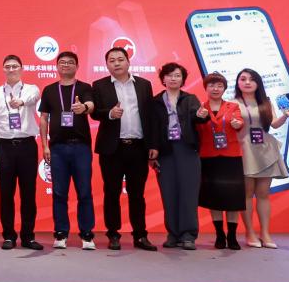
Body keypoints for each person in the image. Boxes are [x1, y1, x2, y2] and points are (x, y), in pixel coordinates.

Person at [90, 47, 158, 251]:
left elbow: (150, 117)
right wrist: (110, 114)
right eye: (112, 60)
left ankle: (140, 235)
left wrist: (153, 144)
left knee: (137, 193)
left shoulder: (144, 85)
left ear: (128, 62)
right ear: (106, 65)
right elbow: (95, 113)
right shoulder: (99, 85)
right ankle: (113, 234)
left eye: (120, 59)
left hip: (138, 147)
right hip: (112, 148)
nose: (116, 63)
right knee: (112, 192)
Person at [39, 50, 96, 249]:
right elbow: (44, 118)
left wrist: (84, 108)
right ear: (57, 66)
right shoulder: (49, 90)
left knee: (84, 192)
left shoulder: (84, 87)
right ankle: (61, 233)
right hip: (57, 148)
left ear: (77, 66)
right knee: (59, 192)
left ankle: (87, 234)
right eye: (62, 62)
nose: (66, 65)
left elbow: (91, 105)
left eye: (70, 62)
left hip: (81, 147)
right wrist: (44, 146)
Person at [148, 62, 208, 250]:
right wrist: (152, 149)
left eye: (177, 75)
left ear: (182, 80)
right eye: (169, 75)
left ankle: (188, 234)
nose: (173, 78)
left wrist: (201, 115)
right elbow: (151, 127)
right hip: (165, 151)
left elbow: (198, 117)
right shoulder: (155, 101)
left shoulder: (190, 99)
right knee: (168, 192)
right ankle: (173, 234)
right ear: (163, 79)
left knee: (188, 193)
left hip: (187, 149)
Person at [233, 67, 289, 249]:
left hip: (265, 149)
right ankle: (250, 232)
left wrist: (286, 116)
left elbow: (274, 124)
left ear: (258, 83)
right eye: (243, 79)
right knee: (246, 194)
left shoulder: (266, 102)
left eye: (251, 79)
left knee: (263, 194)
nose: (247, 82)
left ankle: (265, 233)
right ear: (237, 83)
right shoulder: (232, 103)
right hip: (244, 150)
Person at [0, 54, 43, 250]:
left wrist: (21, 102)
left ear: (21, 68)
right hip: (4, 147)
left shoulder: (31, 89)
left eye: (15, 66)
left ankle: (28, 236)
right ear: (3, 69)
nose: (11, 69)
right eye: (8, 66)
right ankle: (9, 235)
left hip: (27, 146)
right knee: (6, 194)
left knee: (29, 194)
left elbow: (34, 97)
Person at [196, 72, 246, 250]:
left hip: (231, 157)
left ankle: (232, 236)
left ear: (224, 88)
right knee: (214, 197)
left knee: (233, 198)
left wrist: (237, 124)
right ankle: (219, 234)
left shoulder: (233, 106)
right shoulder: (200, 108)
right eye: (211, 85)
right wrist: (198, 118)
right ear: (206, 88)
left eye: (219, 86)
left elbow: (239, 122)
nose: (215, 89)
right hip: (209, 157)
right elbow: (195, 130)